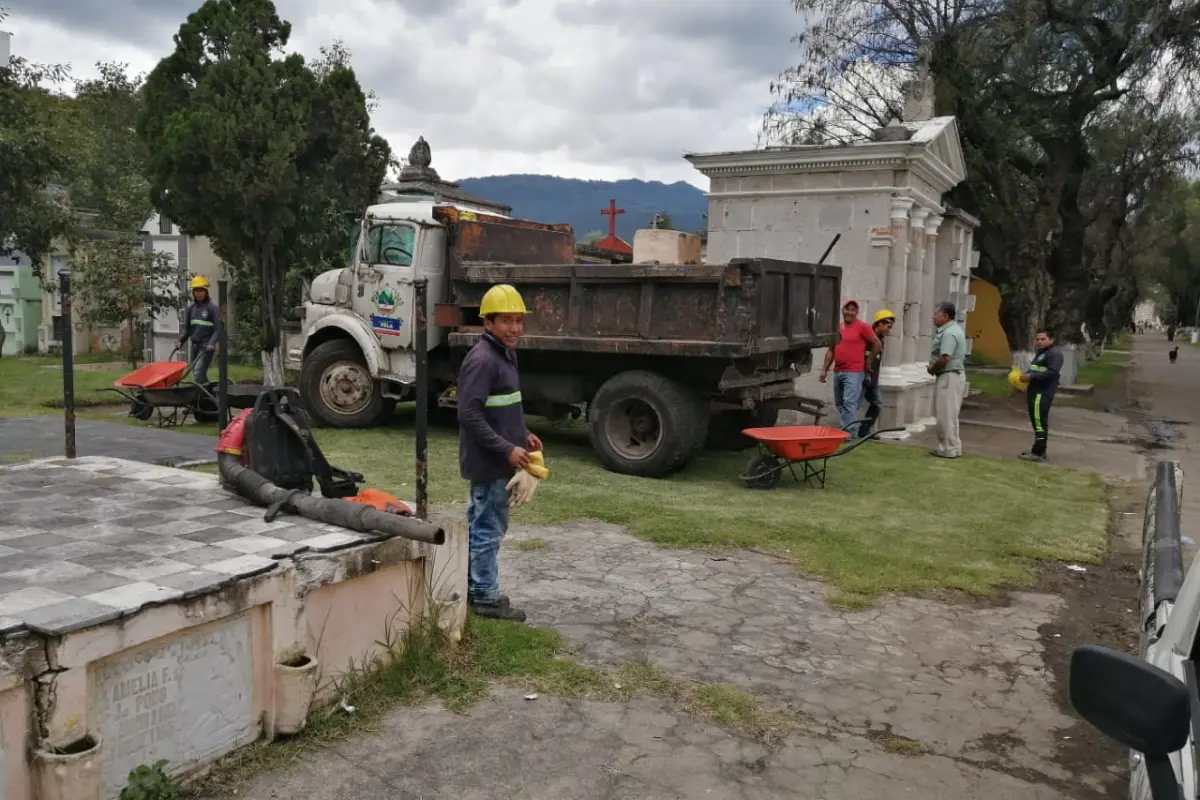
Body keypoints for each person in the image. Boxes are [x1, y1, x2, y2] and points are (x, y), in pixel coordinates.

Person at [456, 283, 543, 622]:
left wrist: (524, 434)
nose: (515, 328)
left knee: (480, 525)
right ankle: (485, 597)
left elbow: (504, 408)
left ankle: (469, 586)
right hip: (489, 462)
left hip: (498, 458)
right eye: (506, 320)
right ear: (487, 323)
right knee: (488, 528)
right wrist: (507, 449)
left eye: (519, 320)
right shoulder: (482, 360)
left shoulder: (505, 355)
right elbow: (469, 414)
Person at [819, 299, 881, 433]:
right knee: (840, 403)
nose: (850, 312)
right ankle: (850, 427)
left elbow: (877, 344)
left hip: (854, 372)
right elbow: (831, 350)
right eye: (847, 309)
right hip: (838, 371)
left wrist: (869, 361)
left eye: (853, 310)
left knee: (849, 403)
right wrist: (824, 369)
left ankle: (849, 434)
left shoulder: (862, 327)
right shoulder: (837, 328)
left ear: (857, 312)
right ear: (842, 311)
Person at [928, 301, 968, 459]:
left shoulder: (949, 333)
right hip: (953, 375)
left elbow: (945, 357)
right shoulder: (953, 330)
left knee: (945, 414)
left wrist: (932, 369)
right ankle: (953, 446)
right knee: (951, 414)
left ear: (945, 316)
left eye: (936, 313)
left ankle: (947, 448)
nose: (933, 317)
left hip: (949, 375)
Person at [1019, 329, 1063, 462]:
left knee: (1039, 422)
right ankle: (1038, 448)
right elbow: (1035, 369)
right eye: (1037, 339)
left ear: (1051, 340)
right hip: (1034, 391)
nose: (1039, 342)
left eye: (1043, 339)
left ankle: (1038, 452)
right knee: (1035, 420)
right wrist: (1025, 375)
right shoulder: (1041, 354)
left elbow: (1052, 373)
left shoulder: (1054, 354)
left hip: (1042, 393)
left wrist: (1031, 376)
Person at [859, 308, 896, 438]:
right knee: (854, 405)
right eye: (888, 326)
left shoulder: (881, 338)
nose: (889, 330)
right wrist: (866, 375)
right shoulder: (869, 339)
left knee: (877, 403)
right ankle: (850, 431)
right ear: (879, 324)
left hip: (872, 379)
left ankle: (864, 431)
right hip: (864, 377)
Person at [178, 275, 221, 385]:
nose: (198, 293)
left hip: (206, 347)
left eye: (201, 290)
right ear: (193, 292)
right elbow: (188, 330)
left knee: (198, 372)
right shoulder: (191, 309)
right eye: (196, 290)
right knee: (197, 372)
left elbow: (218, 329)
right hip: (195, 346)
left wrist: (212, 343)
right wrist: (181, 341)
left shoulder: (212, 308)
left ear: (206, 291)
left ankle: (202, 398)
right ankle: (209, 395)